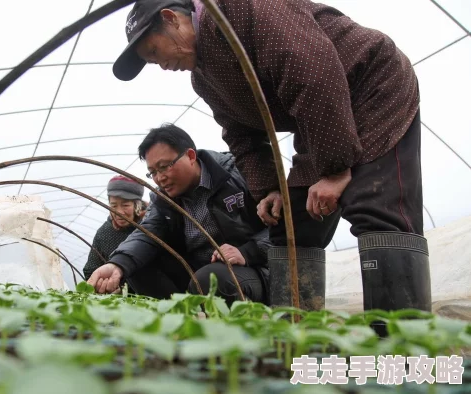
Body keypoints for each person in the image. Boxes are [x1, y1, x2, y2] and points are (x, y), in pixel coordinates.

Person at [112, 0, 431, 321]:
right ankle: (297, 334)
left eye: (155, 52)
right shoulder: (204, 78)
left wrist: (334, 170)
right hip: (320, 116)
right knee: (291, 226)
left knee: (376, 206)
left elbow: (313, 71)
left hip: (370, 86)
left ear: (171, 19)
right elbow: (240, 133)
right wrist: (267, 190)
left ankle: (400, 345)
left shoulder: (244, 9)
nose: (162, 65)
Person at [87, 124, 272, 305]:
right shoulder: (164, 200)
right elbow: (147, 234)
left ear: (191, 155)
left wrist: (247, 251)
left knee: (211, 278)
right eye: (153, 172)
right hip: (195, 272)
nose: (160, 178)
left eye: (164, 166)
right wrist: (118, 264)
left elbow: (286, 225)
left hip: (251, 268)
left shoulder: (238, 174)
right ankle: (179, 323)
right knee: (136, 266)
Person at [82, 175, 146, 280]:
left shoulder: (149, 229)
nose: (119, 212)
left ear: (137, 205)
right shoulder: (104, 233)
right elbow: (90, 270)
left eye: (125, 205)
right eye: (114, 206)